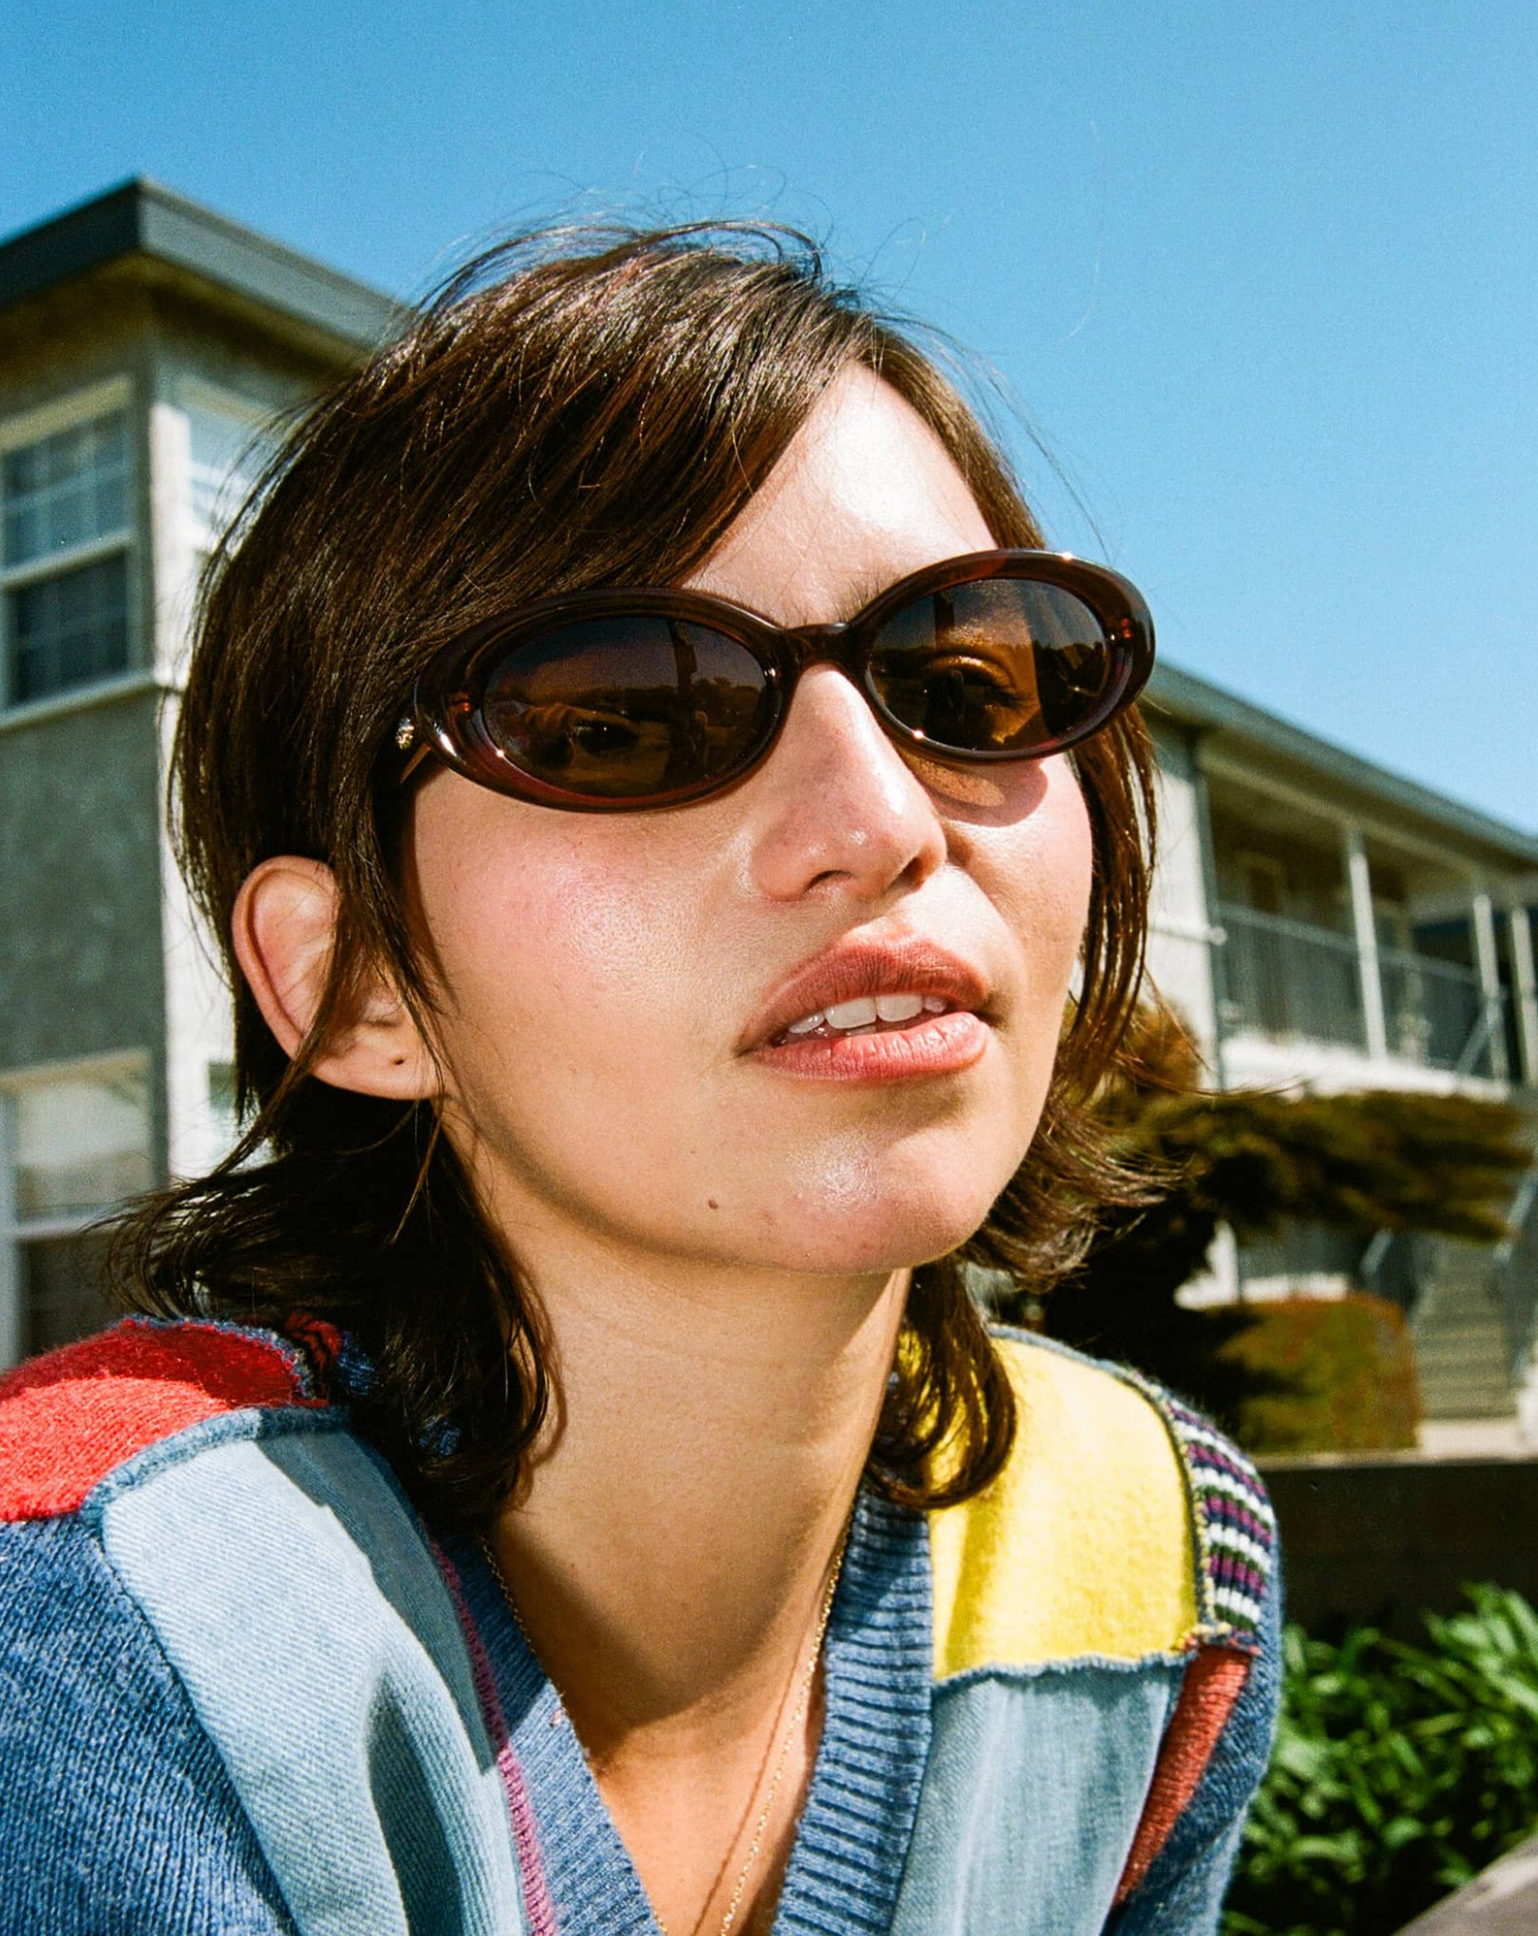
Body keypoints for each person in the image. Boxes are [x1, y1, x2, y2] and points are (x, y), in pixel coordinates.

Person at [0, 225, 1279, 1936]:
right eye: (618, 714)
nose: (879, 821)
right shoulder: (87, 1637)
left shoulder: (1151, 1559)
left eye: (964, 680)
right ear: (351, 984)